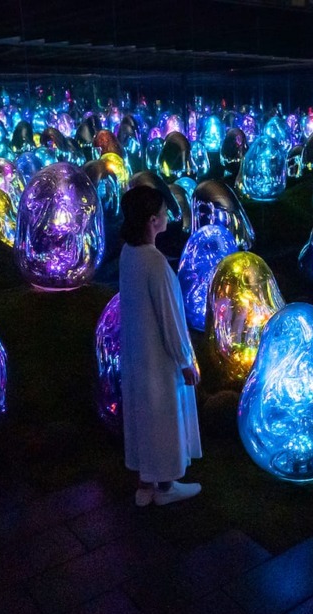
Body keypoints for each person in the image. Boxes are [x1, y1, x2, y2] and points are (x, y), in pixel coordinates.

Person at [118, 186, 203, 507]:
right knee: (164, 416)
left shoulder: (129, 254)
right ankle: (166, 486)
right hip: (160, 359)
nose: (169, 216)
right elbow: (170, 319)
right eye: (165, 213)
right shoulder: (155, 264)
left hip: (136, 354)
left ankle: (145, 483)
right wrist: (185, 360)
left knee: (141, 417)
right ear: (153, 220)